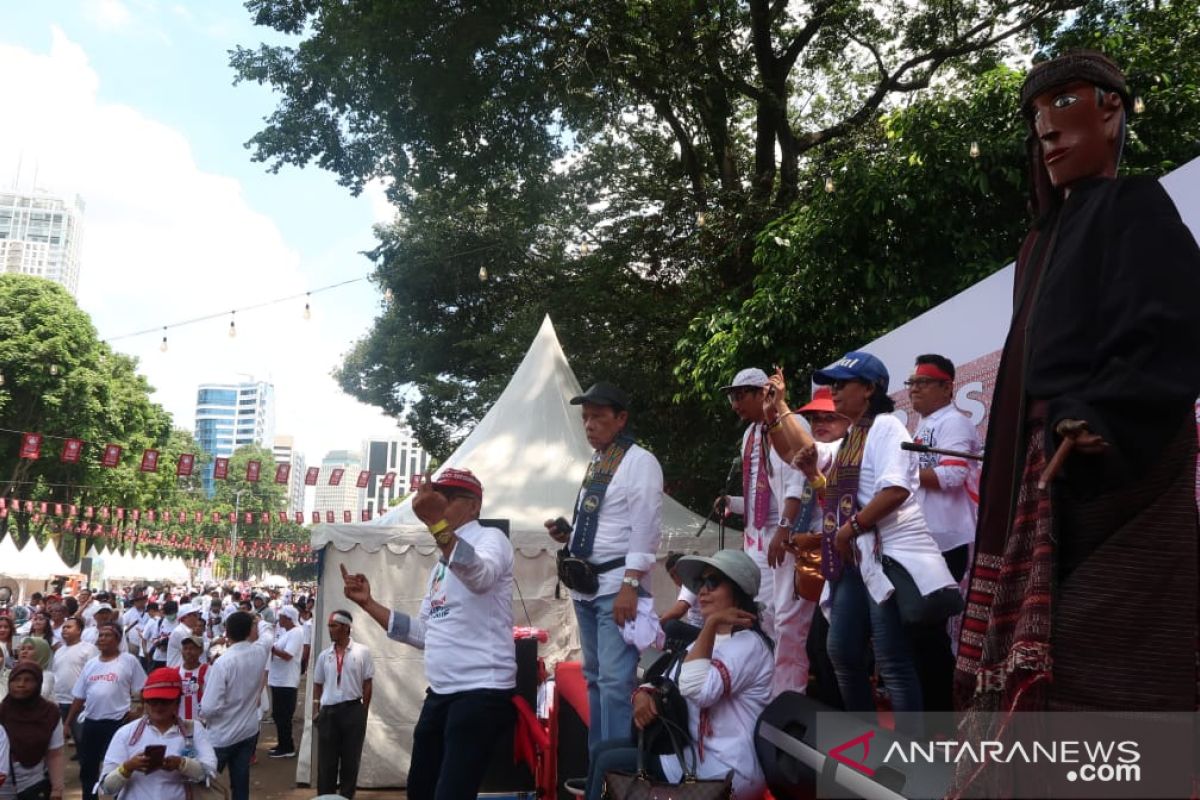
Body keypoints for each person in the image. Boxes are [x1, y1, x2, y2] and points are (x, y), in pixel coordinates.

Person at [956, 52, 1200, 726]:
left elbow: (1172, 324)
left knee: (1102, 642)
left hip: (1112, 468)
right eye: (1036, 117)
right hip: (1036, 469)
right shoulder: (1034, 244)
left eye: (1062, 104)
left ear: (1111, 108)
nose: (1046, 129)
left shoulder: (1136, 204)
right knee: (1042, 655)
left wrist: (1105, 413)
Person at [763, 355, 958, 735]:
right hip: (856, 559)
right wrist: (778, 412)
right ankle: (866, 741)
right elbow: (798, 453)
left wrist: (849, 528)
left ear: (869, 389)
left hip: (883, 557)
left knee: (892, 658)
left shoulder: (887, 427)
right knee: (841, 651)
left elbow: (897, 489)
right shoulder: (851, 438)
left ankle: (909, 757)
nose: (833, 391)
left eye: (842, 383)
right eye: (831, 384)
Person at [342, 468, 516, 799]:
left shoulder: (492, 539)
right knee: (419, 790)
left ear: (474, 506)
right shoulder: (440, 565)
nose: (439, 504)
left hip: (480, 690)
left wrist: (437, 525)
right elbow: (425, 631)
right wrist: (370, 604)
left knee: (451, 793)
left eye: (447, 498)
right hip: (441, 692)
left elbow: (479, 576)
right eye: (436, 497)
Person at [582, 550, 774, 800]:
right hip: (690, 751)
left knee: (610, 761)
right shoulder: (712, 638)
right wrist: (642, 695)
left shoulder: (749, 644)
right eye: (700, 583)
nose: (702, 591)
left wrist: (712, 623)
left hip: (727, 769)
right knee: (601, 750)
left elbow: (699, 690)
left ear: (738, 591)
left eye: (712, 582)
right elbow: (665, 677)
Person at [545, 382, 663, 755]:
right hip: (587, 585)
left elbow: (646, 527)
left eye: (598, 416)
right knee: (595, 678)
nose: (589, 424)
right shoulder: (600, 462)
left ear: (621, 418)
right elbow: (605, 524)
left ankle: (614, 770)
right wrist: (570, 534)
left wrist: (631, 583)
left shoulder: (639, 461)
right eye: (585, 417)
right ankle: (600, 763)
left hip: (616, 586)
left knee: (614, 680)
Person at [719, 367, 811, 696]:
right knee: (760, 614)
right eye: (732, 397)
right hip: (757, 536)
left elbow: (798, 485)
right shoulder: (749, 435)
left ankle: (789, 693)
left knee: (786, 619)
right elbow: (762, 497)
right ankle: (763, 684)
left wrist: (784, 529)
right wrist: (731, 502)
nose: (734, 404)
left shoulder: (791, 424)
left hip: (783, 535)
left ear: (764, 393)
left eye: (740, 395)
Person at [905, 353, 981, 714]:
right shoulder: (922, 426)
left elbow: (952, 478)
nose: (913, 389)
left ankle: (943, 716)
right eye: (912, 382)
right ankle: (931, 713)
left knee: (928, 632)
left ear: (947, 387)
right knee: (917, 633)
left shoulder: (955, 424)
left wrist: (899, 476)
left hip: (946, 541)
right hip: (920, 542)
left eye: (922, 382)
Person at [99, 668, 217, 800]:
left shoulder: (194, 729)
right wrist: (128, 767)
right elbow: (106, 787)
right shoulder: (125, 733)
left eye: (165, 701)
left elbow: (209, 774)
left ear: (177, 702)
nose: (158, 706)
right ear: (145, 702)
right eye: (153, 701)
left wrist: (181, 764)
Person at [65, 623, 147, 800]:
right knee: (88, 767)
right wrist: (67, 722)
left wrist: (140, 711)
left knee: (118, 766)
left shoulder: (128, 661)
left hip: (118, 722)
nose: (102, 638)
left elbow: (144, 688)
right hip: (92, 722)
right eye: (100, 635)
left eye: (107, 635)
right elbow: (79, 696)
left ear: (117, 639)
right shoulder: (91, 665)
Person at [198, 611, 265, 800]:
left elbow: (209, 707)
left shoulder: (223, 663)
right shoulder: (259, 652)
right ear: (250, 631)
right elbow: (266, 634)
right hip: (248, 730)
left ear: (226, 632)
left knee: (205, 782)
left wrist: (205, 717)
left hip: (222, 734)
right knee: (241, 781)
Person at [311, 610, 373, 800]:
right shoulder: (324, 655)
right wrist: (316, 710)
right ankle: (326, 797)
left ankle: (346, 797)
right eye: (329, 625)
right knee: (326, 763)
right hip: (328, 713)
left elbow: (367, 683)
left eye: (334, 625)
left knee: (350, 761)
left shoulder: (362, 652)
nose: (330, 629)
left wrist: (363, 712)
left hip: (353, 710)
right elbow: (317, 684)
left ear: (346, 627)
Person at [0, 663, 65, 800]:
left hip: (33, 785)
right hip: (3, 788)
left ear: (38, 684)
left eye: (28, 680)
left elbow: (55, 754)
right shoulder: (1, 712)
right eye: (16, 680)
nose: (21, 684)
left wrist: (57, 789)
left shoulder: (49, 714)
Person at [266, 606, 303, 758]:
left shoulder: (296, 632)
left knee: (284, 716)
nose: (279, 620)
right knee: (278, 714)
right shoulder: (288, 633)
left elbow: (288, 655)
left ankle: (288, 747)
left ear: (288, 618)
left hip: (286, 681)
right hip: (279, 679)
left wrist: (271, 649)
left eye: (281, 617)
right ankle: (282, 743)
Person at [51, 618, 95, 742]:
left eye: (69, 627)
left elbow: (92, 675)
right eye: (64, 627)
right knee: (60, 737)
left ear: (79, 630)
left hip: (80, 701)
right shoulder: (59, 651)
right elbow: (56, 673)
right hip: (60, 699)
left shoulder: (89, 649)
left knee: (81, 737)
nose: (65, 629)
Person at [658, 552, 703, 650]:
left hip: (704, 631)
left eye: (673, 575)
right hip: (700, 629)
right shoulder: (696, 581)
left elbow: (679, 610)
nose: (674, 579)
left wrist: (656, 623)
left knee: (670, 625)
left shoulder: (690, 582)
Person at [175, 634, 208, 723]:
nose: (188, 651)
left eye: (192, 648)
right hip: (179, 723)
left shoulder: (208, 671)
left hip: (201, 723)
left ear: (200, 651)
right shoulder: (175, 672)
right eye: (185, 648)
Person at [165, 604, 202, 668]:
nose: (197, 617)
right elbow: (195, 649)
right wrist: (213, 642)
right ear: (185, 617)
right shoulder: (179, 632)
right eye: (195, 615)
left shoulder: (189, 630)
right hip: (175, 670)